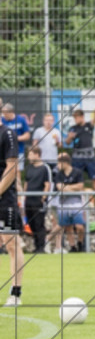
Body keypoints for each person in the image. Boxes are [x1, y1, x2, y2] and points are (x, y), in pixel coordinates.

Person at [0, 121, 23, 306]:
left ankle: (15, 293)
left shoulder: (7, 134)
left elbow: (12, 167)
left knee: (11, 244)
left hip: (4, 200)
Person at [66, 107, 95, 203]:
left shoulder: (88, 126)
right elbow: (68, 142)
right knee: (76, 179)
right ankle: (78, 200)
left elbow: (94, 120)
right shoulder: (73, 128)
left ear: (82, 117)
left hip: (90, 157)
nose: (76, 119)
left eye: (77, 117)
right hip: (77, 158)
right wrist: (70, 137)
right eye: (74, 118)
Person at [52, 153, 86, 254]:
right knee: (68, 226)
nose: (57, 165)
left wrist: (67, 188)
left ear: (65, 163)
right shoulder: (58, 174)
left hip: (76, 203)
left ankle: (80, 242)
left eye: (59, 162)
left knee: (80, 226)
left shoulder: (77, 172)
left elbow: (80, 186)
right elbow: (59, 187)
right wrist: (72, 188)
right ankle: (72, 247)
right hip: (64, 203)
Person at [23, 147, 52, 254]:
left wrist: (43, 198)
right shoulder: (29, 168)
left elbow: (47, 184)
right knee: (31, 224)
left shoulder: (45, 168)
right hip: (28, 201)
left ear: (37, 154)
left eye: (30, 154)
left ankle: (41, 247)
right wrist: (24, 197)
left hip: (38, 201)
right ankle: (36, 246)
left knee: (39, 223)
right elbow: (26, 183)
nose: (28, 157)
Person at [1, 104, 31, 174]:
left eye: (5, 113)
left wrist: (14, 138)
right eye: (2, 113)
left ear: (11, 112)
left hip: (18, 150)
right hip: (4, 152)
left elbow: (27, 135)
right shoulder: (2, 120)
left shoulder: (21, 120)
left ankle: (18, 185)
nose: (4, 115)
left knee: (17, 171)